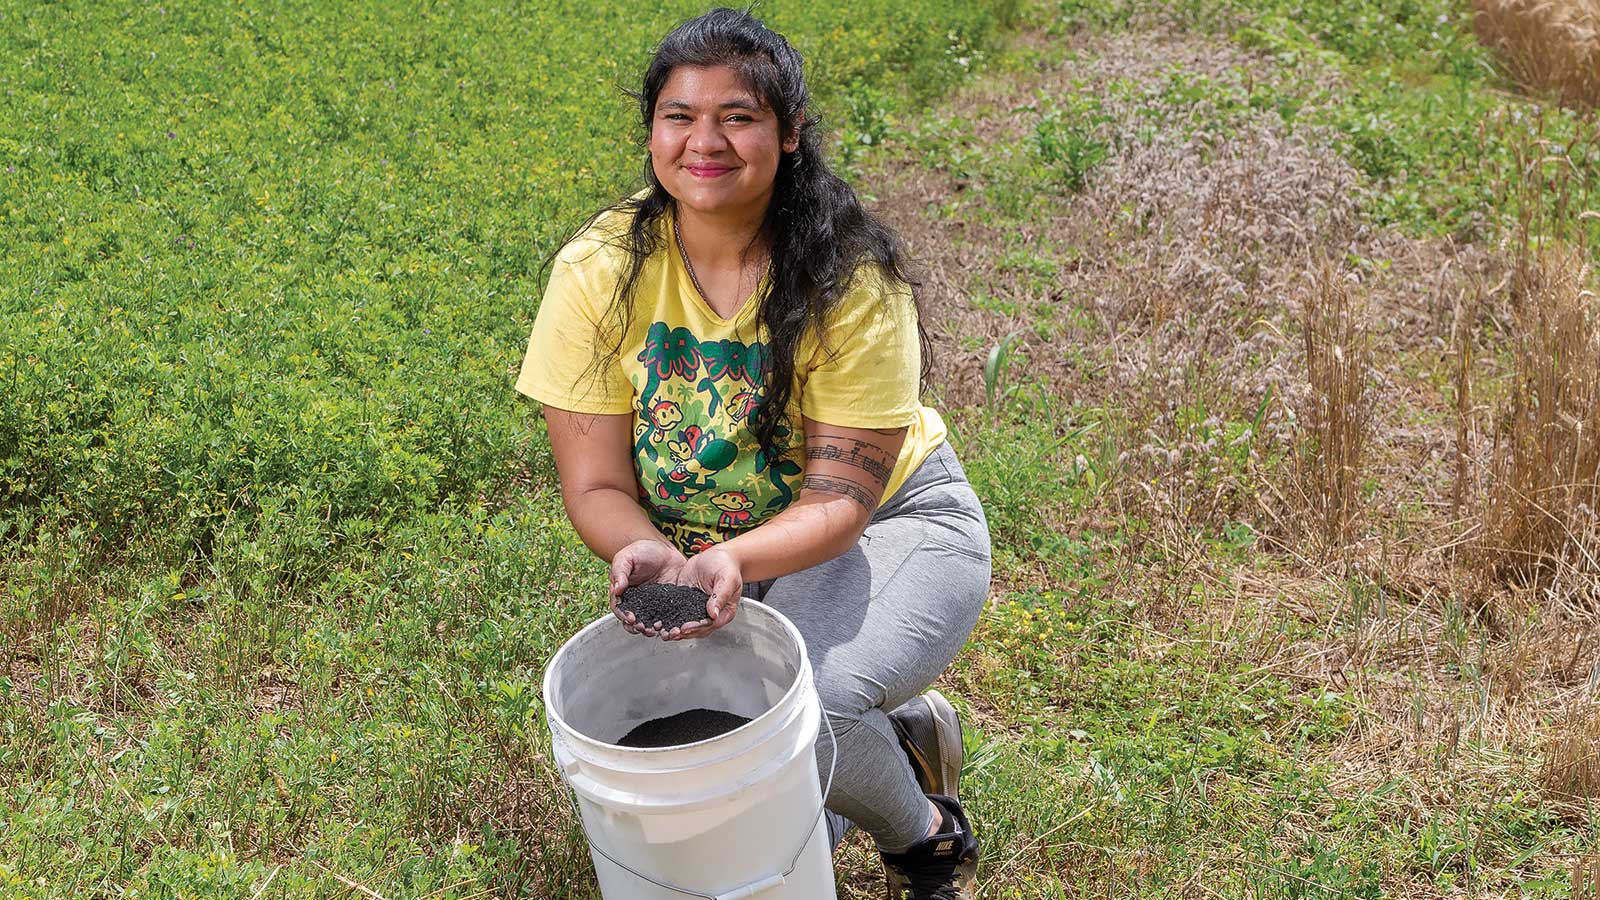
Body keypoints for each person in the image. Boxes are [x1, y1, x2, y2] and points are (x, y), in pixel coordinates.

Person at [515, 8, 991, 898]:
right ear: (651, 129)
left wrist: (724, 559)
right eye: (679, 116)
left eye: (738, 117)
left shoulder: (846, 277)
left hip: (889, 525)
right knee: (722, 767)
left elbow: (839, 505)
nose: (706, 141)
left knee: (800, 720)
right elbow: (598, 482)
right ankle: (891, 741)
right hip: (715, 556)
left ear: (791, 134)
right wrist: (643, 549)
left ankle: (926, 835)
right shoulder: (600, 269)